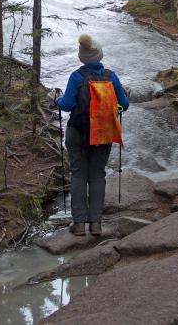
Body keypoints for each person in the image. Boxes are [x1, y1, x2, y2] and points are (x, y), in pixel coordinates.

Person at [56, 34, 129, 237]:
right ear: (99, 55)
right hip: (103, 133)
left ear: (82, 57)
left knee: (78, 174)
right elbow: (125, 104)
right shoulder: (111, 76)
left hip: (78, 133)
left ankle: (79, 224)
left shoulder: (77, 77)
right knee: (97, 175)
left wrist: (57, 99)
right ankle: (96, 224)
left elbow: (67, 104)